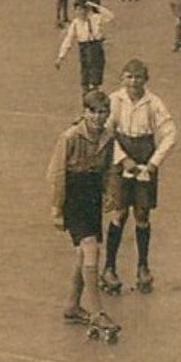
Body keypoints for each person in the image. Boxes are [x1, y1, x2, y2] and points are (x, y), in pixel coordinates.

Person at [47, 90, 121, 341]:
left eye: (103, 112)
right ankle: (98, 311)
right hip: (74, 194)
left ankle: (72, 305)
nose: (99, 117)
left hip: (92, 195)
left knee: (84, 252)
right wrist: (57, 209)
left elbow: (110, 168)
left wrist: (110, 193)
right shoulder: (70, 137)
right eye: (94, 112)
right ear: (84, 112)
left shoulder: (109, 136)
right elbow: (56, 174)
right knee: (91, 249)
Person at [101, 59, 178, 296]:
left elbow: (170, 133)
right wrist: (122, 159)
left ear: (146, 80)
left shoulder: (154, 104)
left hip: (145, 152)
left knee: (142, 213)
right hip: (120, 154)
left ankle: (143, 266)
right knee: (120, 212)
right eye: (129, 77)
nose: (133, 82)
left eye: (138, 78)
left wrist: (154, 163)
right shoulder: (115, 100)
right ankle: (109, 267)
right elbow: (105, 132)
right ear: (122, 79)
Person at [56, 0, 116, 93]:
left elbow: (110, 17)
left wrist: (95, 6)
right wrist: (61, 56)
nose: (81, 12)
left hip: (96, 47)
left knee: (96, 73)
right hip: (84, 48)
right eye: (78, 10)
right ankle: (86, 96)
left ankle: (95, 93)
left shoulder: (96, 18)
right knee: (85, 74)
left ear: (87, 9)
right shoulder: (75, 23)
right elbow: (68, 39)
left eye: (83, 9)